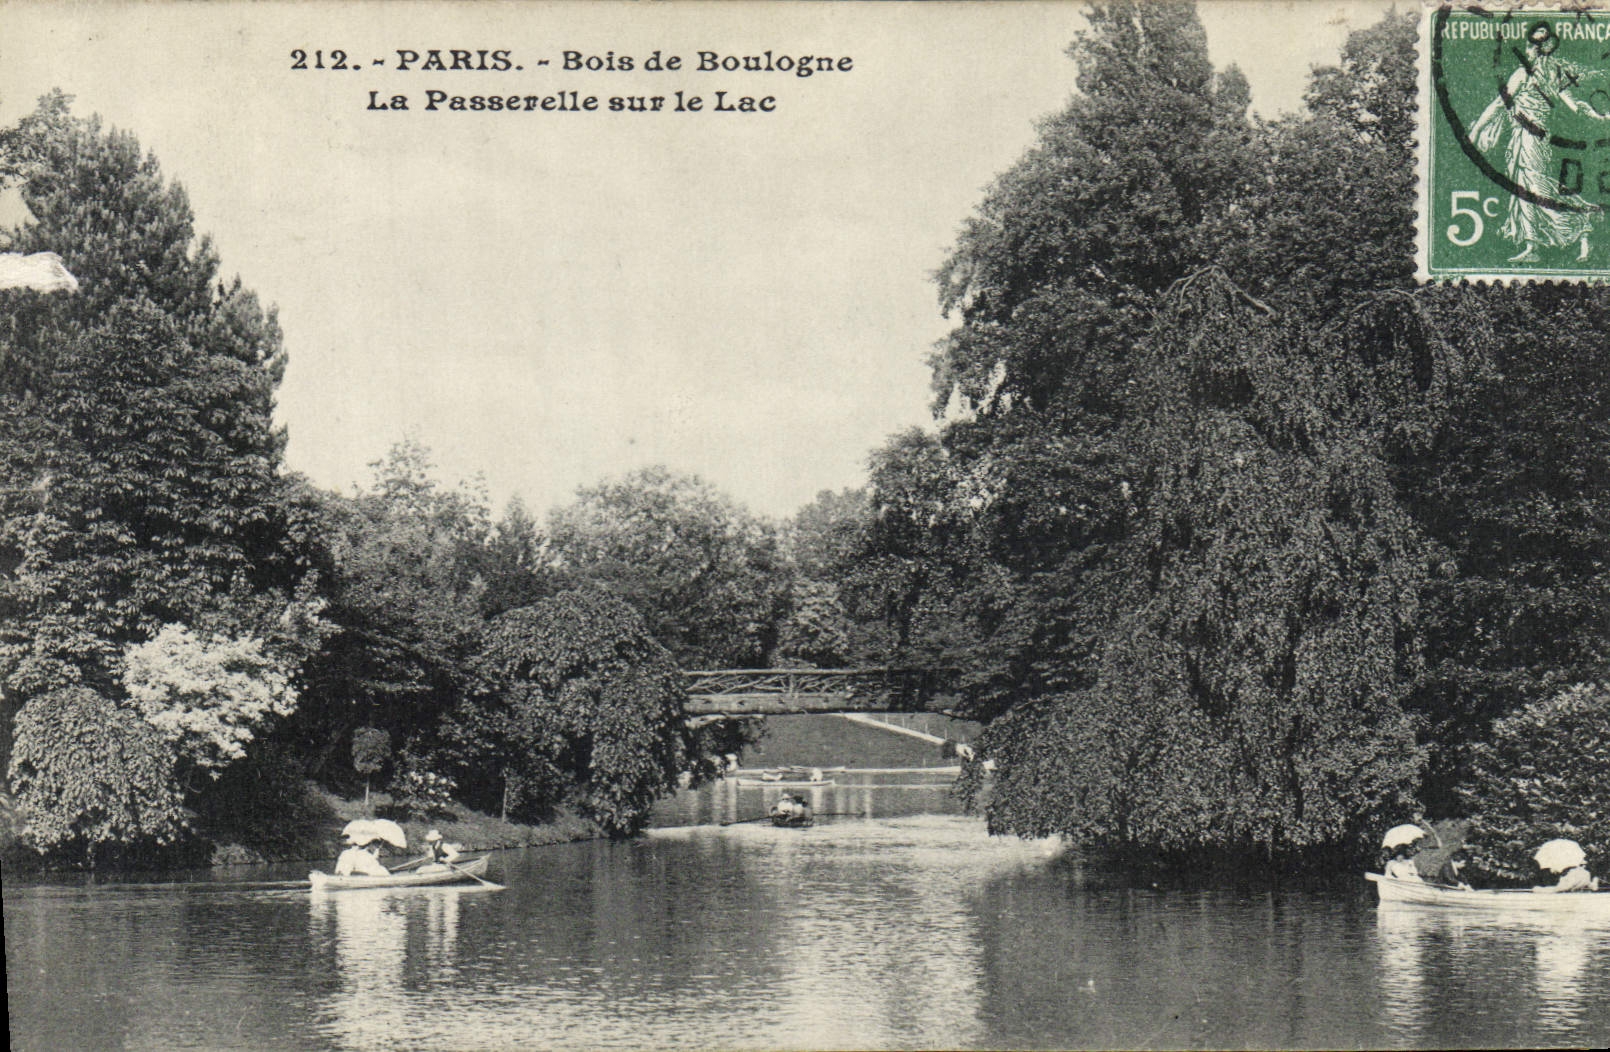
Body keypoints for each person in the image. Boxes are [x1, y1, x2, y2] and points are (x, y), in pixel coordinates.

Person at [1469, 21, 1610, 263]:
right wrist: (1599, 115)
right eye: (1534, 42)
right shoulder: (1546, 74)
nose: (1533, 48)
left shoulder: (1532, 74)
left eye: (1539, 43)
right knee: (1528, 189)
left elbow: (1497, 106)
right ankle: (1535, 244)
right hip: (1527, 139)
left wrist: (1474, 133)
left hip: (1531, 140)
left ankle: (1581, 221)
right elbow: (1576, 106)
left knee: (1534, 188)